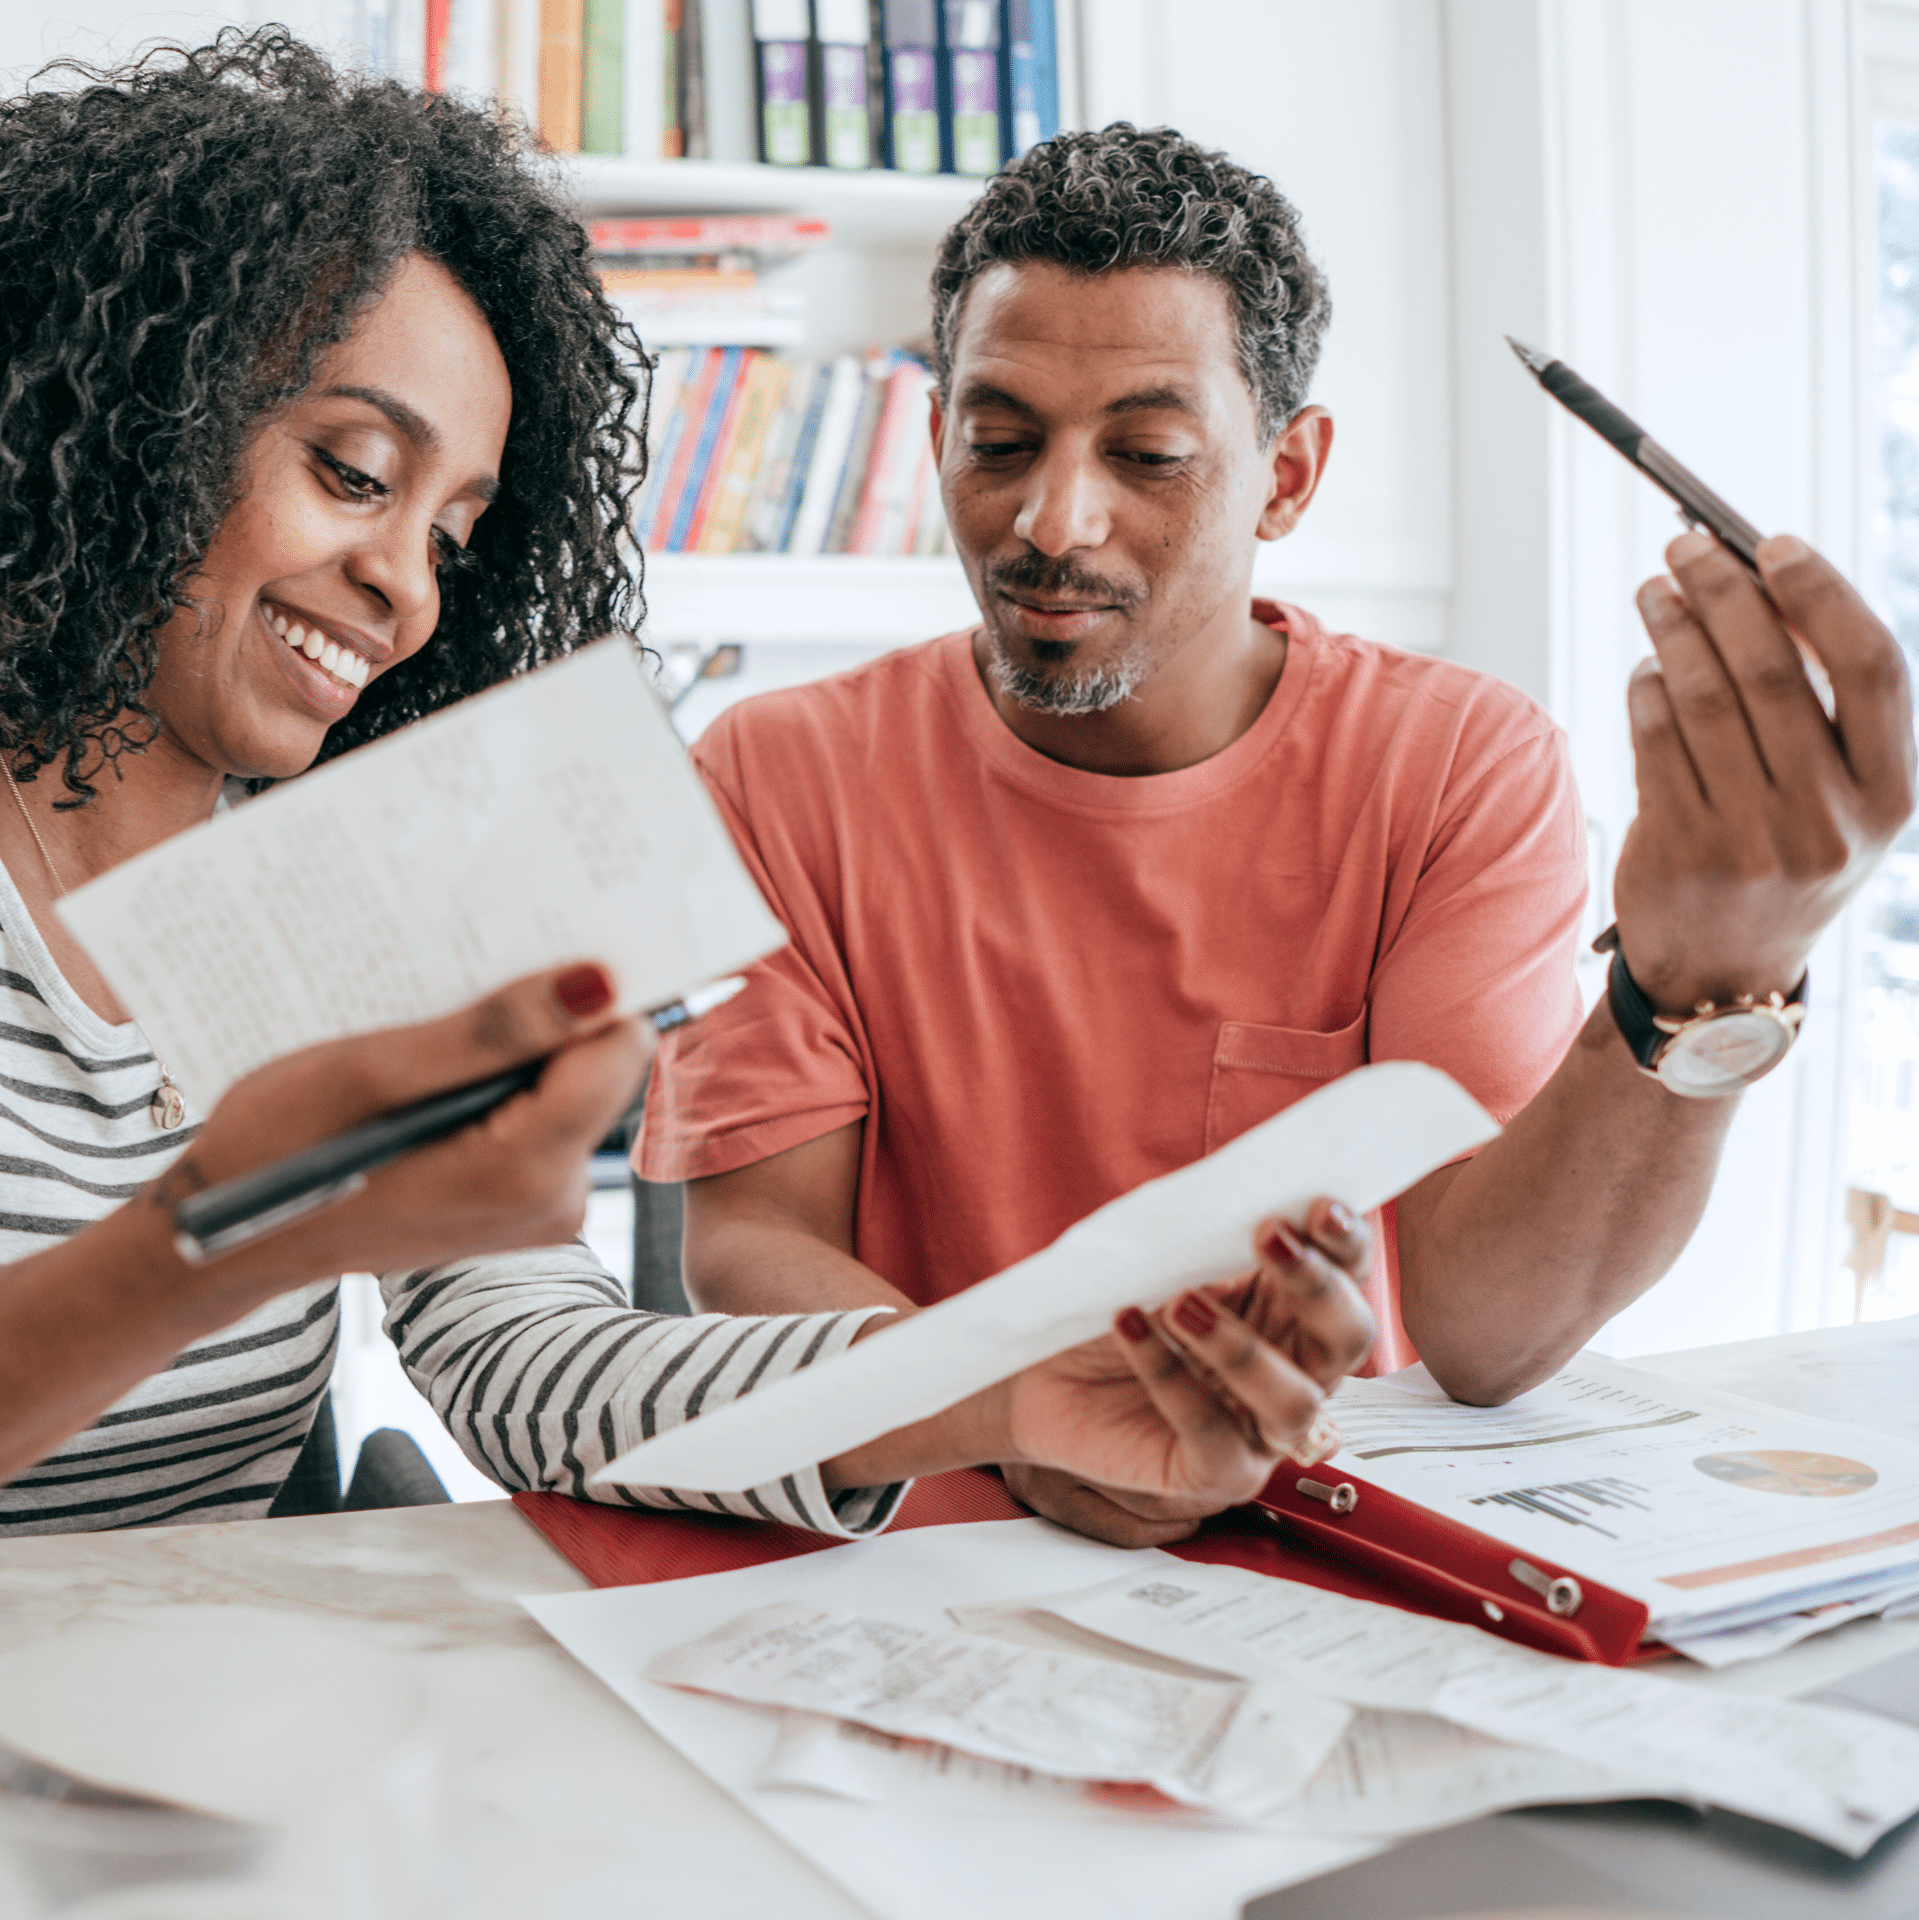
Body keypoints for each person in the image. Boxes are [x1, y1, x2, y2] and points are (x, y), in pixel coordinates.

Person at [0, 45, 1371, 1700]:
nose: (406, 588)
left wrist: (995, 1388)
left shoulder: (352, 882)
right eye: (355, 474)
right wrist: (215, 1239)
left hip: (153, 1744)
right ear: (114, 414)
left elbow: (534, 1364)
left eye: (458, 530)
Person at [649, 122, 1915, 1550]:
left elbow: (1485, 1337)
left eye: (1149, 453)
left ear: (1289, 477)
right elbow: (751, 1241)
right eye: (997, 442)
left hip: (1311, 1551)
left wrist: (1694, 980)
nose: (1053, 521)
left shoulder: (1451, 764)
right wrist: (1012, 1413)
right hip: (916, 1546)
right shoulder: (774, 770)